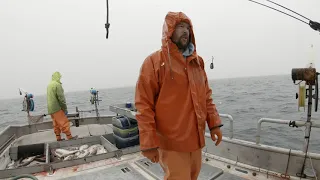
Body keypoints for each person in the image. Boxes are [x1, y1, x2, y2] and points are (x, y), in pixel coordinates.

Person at [135, 12, 223, 180]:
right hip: (171, 143)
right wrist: (148, 143)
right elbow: (143, 105)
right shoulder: (153, 62)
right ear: (169, 31)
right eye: (180, 27)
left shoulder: (198, 62)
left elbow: (206, 97)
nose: (185, 31)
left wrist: (214, 124)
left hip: (196, 141)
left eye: (188, 27)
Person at [47, 71, 77, 141]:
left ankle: (58, 138)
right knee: (64, 123)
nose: (60, 78)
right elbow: (61, 98)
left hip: (50, 109)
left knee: (56, 124)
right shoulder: (57, 85)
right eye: (59, 77)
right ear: (58, 77)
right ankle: (70, 138)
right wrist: (64, 109)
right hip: (57, 107)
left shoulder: (49, 85)